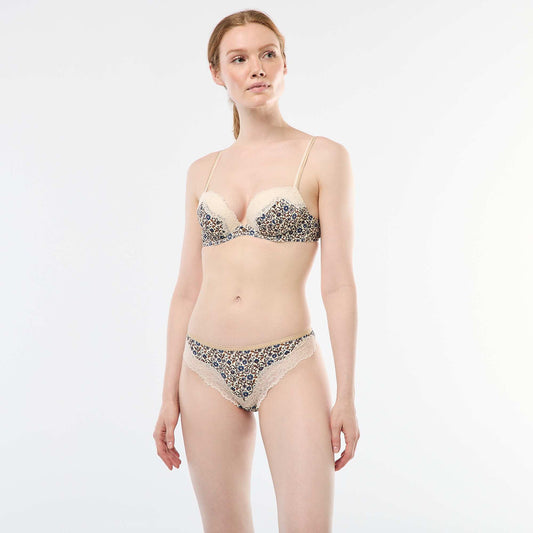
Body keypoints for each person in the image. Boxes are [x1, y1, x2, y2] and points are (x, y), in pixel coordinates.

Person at [153, 9, 360, 533]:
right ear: (217, 73)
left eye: (268, 54)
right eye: (239, 59)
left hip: (288, 362)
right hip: (203, 367)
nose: (256, 68)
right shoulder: (202, 171)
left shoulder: (323, 157)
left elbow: (338, 284)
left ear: (285, 63)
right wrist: (168, 393)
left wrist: (347, 395)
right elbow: (186, 289)